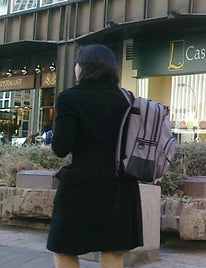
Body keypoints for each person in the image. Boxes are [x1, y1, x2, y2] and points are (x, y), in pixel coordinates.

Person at [47, 44, 142, 267]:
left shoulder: (69, 98)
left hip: (82, 184)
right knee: (113, 250)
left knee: (63, 247)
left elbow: (61, 147)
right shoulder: (126, 98)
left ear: (82, 68)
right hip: (120, 185)